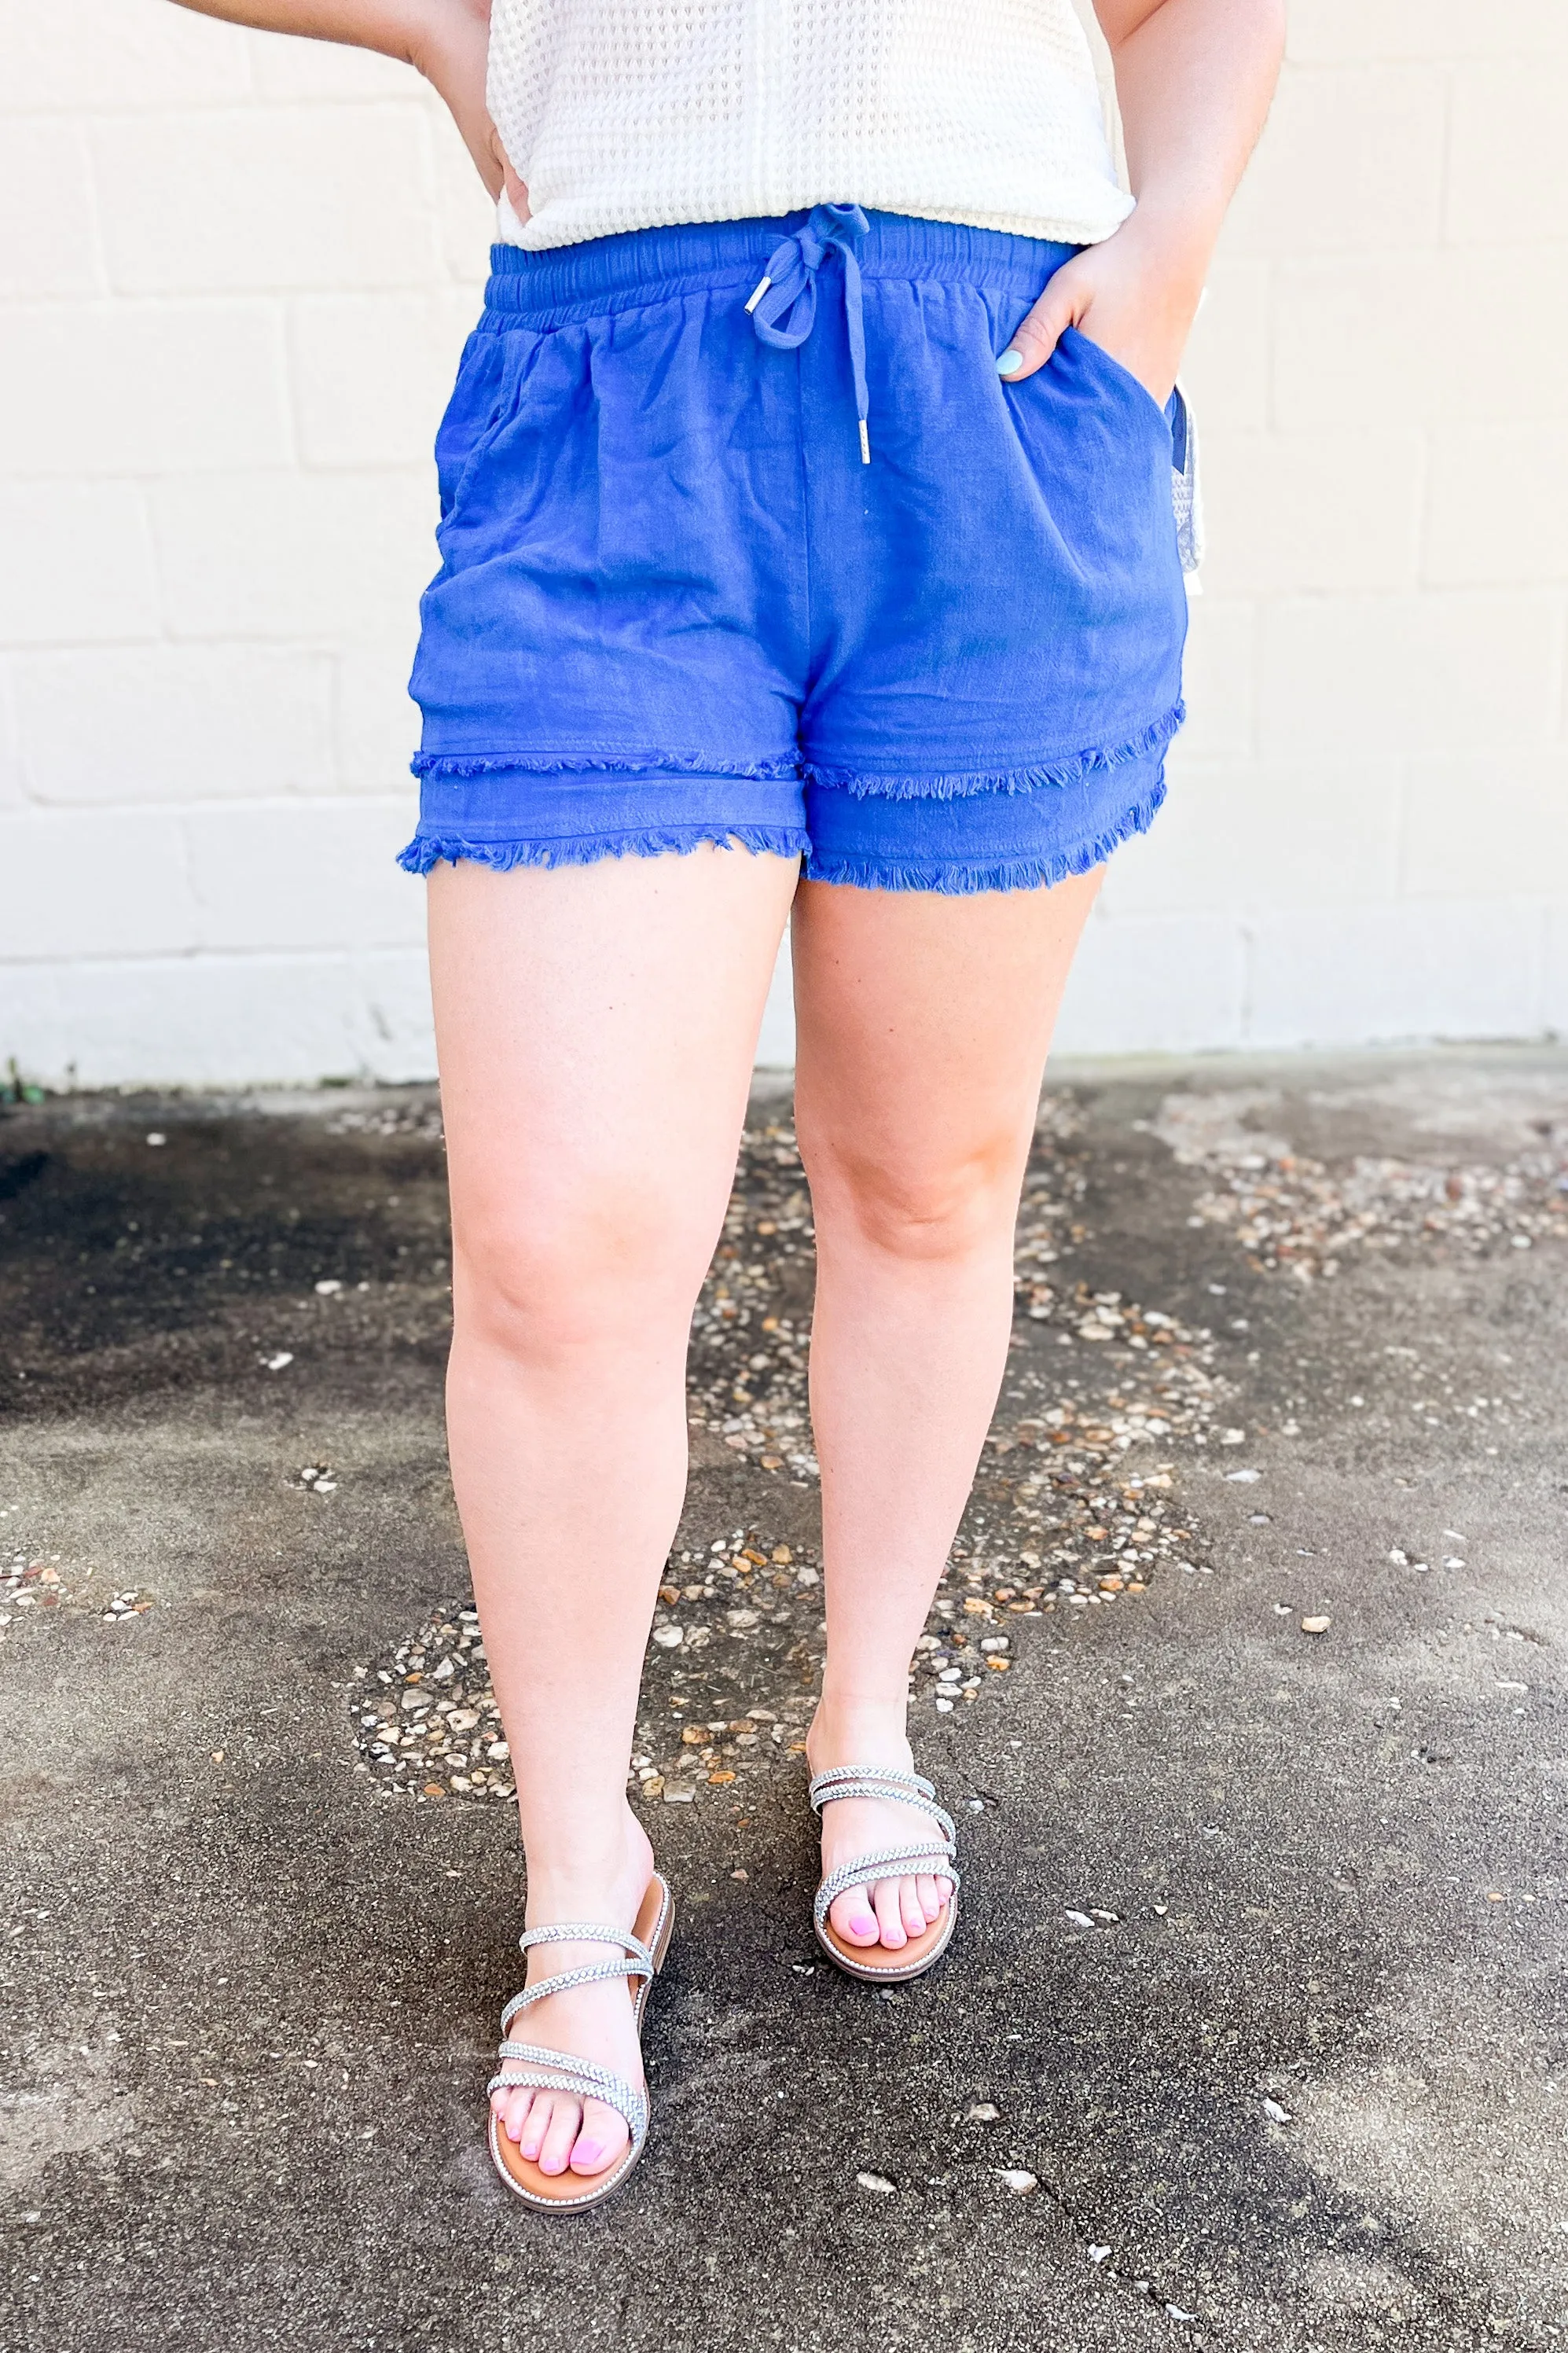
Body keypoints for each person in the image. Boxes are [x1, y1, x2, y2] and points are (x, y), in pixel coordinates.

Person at [172, 0, 1283, 2212]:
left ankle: (863, 1723)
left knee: (929, 1177)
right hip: (617, 410)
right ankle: (584, 1873)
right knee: (566, 1244)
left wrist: (1169, 247)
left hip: (1007, 393)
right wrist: (444, 26)